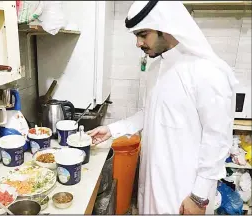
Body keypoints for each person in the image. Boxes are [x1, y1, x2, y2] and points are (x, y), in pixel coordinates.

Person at [87, 1, 238, 214]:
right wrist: (112, 130)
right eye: (136, 36)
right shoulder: (157, 67)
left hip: (183, 191)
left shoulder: (207, 72)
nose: (138, 43)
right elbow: (152, 113)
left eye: (143, 34)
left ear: (165, 27)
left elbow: (217, 138)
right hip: (153, 181)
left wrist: (199, 196)